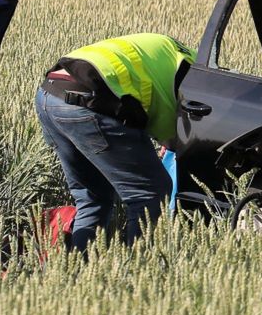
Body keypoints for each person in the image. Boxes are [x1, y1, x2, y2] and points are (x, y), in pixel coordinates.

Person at [35, 33, 196, 250]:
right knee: (150, 192)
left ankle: (78, 266)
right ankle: (138, 265)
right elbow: (178, 132)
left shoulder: (177, 53)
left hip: (49, 94)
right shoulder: (196, 77)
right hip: (89, 100)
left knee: (92, 198)